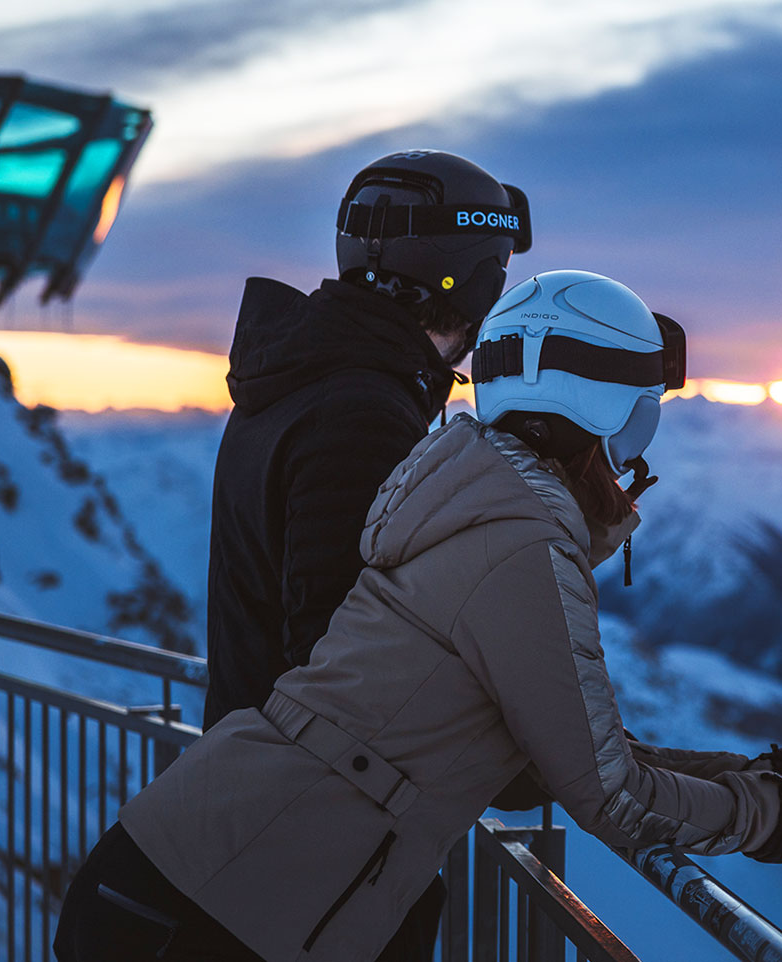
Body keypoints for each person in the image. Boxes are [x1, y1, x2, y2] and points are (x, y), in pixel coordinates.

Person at [54, 271, 782, 962]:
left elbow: (569, 748)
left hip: (200, 879)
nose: (636, 453)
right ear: (592, 409)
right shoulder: (520, 542)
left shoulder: (481, 506)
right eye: (638, 420)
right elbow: (610, 792)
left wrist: (779, 781)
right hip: (219, 907)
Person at [200, 149, 530, 959]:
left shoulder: (305, 379)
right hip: (317, 859)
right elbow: (347, 673)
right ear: (472, 280)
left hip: (260, 823)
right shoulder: (360, 409)